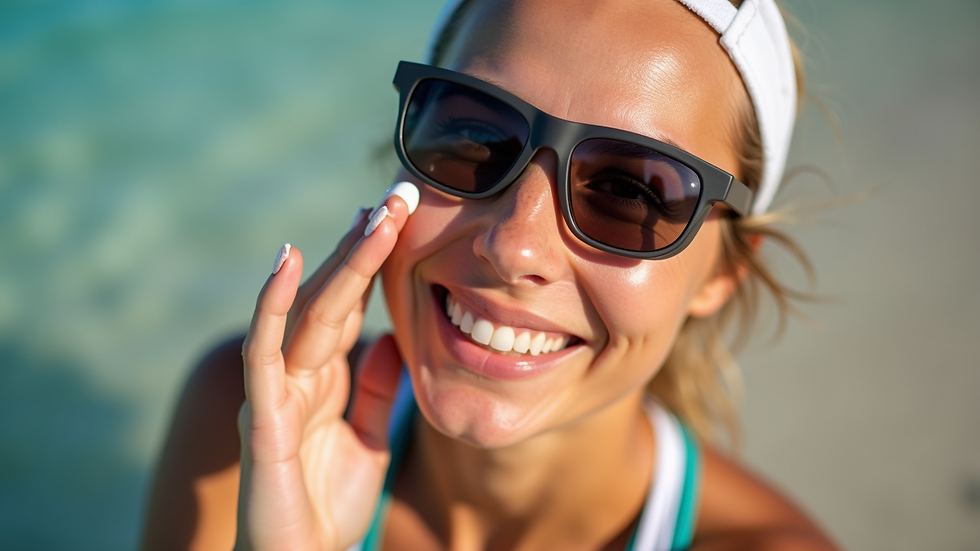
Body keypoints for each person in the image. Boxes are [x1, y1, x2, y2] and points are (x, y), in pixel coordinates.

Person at [141, 0, 842, 549]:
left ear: (725, 274)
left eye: (631, 193)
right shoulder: (244, 432)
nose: (515, 247)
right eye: (475, 136)